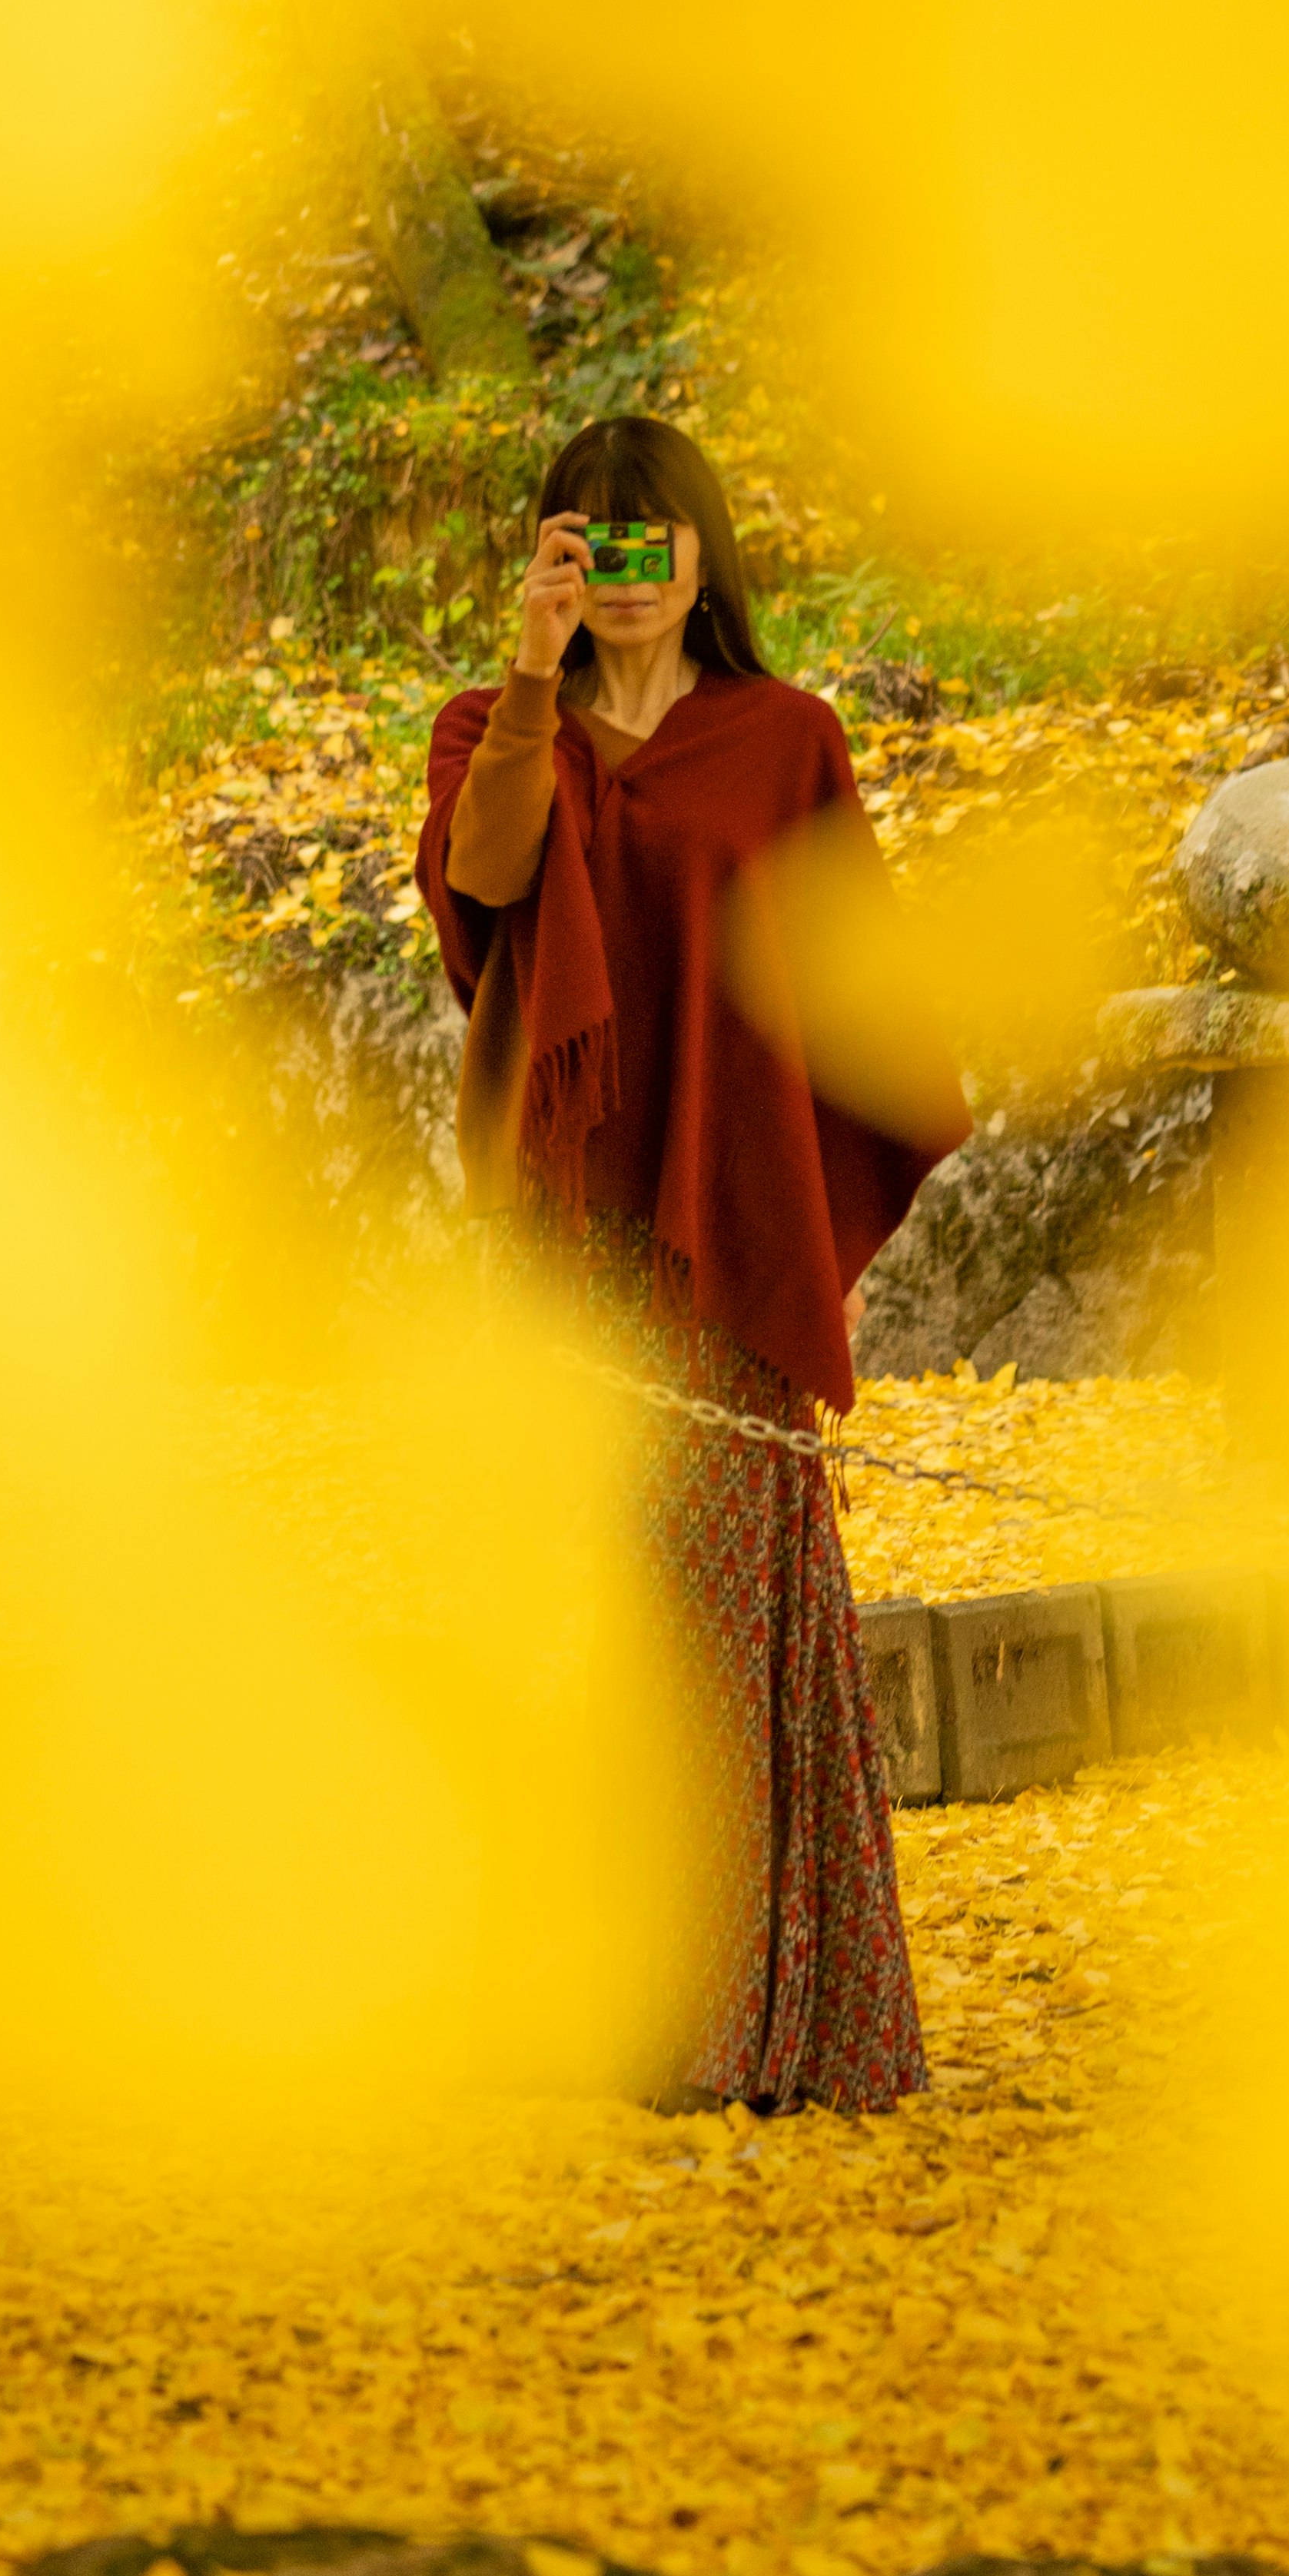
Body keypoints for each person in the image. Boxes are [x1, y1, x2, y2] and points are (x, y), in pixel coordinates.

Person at [415, 416, 968, 2111]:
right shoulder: (485, 730)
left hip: (723, 1229)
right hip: (569, 1239)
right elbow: (488, 877)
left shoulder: (781, 740)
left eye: (658, 546)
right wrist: (533, 674)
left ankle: (751, 2025)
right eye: (595, 544)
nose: (632, 579)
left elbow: (852, 989)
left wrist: (806, 1192)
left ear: (708, 558)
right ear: (552, 559)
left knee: (727, 1632)